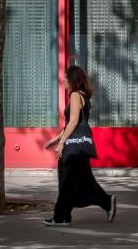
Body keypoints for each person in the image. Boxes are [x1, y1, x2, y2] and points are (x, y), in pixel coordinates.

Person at [43, 65, 116, 226]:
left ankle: (61, 217)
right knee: (83, 182)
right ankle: (107, 202)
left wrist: (61, 143)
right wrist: (55, 139)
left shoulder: (76, 95)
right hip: (79, 147)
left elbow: (74, 121)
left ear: (73, 79)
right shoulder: (83, 96)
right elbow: (73, 124)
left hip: (74, 148)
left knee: (67, 180)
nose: (63, 80)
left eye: (65, 78)